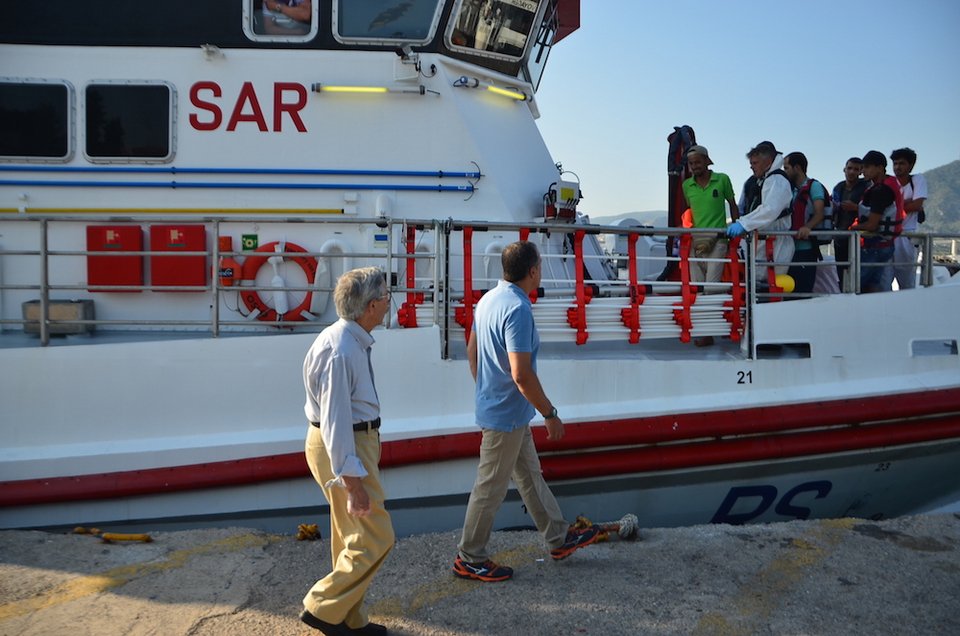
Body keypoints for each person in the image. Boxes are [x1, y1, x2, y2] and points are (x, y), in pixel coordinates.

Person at [454, 241, 600, 583]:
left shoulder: (488, 300)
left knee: (530, 477)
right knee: (490, 487)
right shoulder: (518, 309)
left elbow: (472, 351)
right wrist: (549, 413)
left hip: (506, 411)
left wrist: (487, 389)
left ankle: (558, 537)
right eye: (540, 267)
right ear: (533, 271)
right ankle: (469, 557)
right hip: (506, 416)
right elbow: (521, 374)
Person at [300, 266, 394, 636]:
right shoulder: (341, 351)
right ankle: (321, 606)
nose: (388, 302)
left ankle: (350, 619)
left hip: (348, 442)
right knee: (376, 537)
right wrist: (353, 483)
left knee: (350, 537)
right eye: (385, 297)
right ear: (371, 306)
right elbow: (336, 422)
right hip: (344, 445)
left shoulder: (347, 340)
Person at [681, 144, 738, 345]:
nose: (694, 166)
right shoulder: (687, 186)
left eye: (697, 162)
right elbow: (690, 212)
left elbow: (733, 206)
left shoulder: (722, 179)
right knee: (697, 288)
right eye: (691, 163)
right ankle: (710, 329)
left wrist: (737, 232)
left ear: (707, 161)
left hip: (719, 240)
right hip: (696, 242)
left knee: (712, 287)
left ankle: (710, 331)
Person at [727, 141, 795, 281]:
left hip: (776, 243)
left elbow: (770, 209)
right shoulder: (763, 180)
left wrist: (744, 224)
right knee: (758, 283)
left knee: (772, 284)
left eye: (755, 163)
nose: (751, 167)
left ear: (768, 162)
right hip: (764, 243)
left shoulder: (777, 180)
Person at [856, 151, 905, 293]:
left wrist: (852, 229)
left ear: (879, 168)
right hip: (885, 245)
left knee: (858, 285)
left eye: (867, 167)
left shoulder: (881, 190)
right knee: (874, 285)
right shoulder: (889, 184)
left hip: (875, 246)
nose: (863, 171)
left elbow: (872, 225)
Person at [782, 152, 829, 296]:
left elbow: (819, 213)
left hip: (805, 250)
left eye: (786, 168)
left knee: (803, 291)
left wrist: (807, 227)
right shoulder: (789, 189)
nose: (784, 172)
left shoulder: (814, 186)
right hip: (787, 249)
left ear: (797, 168)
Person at [889, 147, 928, 289]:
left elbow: (917, 205)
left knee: (906, 279)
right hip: (889, 234)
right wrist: (906, 204)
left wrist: (895, 206)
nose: (897, 167)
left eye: (901, 163)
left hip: (907, 235)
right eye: (895, 163)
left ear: (910, 165)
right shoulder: (890, 183)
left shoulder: (917, 180)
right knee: (885, 278)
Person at [831, 157, 870, 291]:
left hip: (860, 237)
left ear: (861, 172)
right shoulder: (838, 187)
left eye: (856, 169)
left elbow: (873, 210)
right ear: (844, 169)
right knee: (842, 272)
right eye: (849, 168)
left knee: (860, 273)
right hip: (840, 236)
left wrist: (856, 208)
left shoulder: (867, 187)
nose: (852, 172)